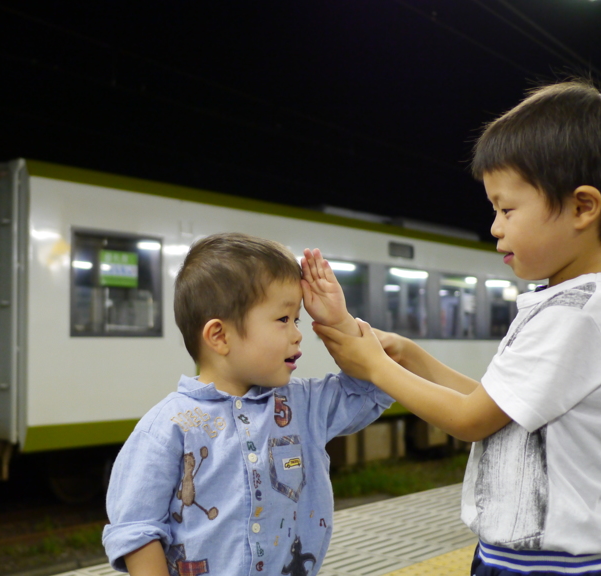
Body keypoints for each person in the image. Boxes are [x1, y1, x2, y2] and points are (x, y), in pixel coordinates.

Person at [309, 80, 601, 576]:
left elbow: (472, 420)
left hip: (551, 569)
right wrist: (410, 356)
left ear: (582, 207)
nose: (495, 226)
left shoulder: (580, 313)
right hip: (512, 558)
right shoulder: (564, 304)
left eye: (507, 209)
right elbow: (498, 407)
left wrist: (377, 367)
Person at [102, 232, 394, 576]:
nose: (299, 333)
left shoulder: (305, 404)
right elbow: (136, 529)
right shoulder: (168, 426)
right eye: (284, 319)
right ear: (219, 336)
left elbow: (375, 383)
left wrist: (339, 321)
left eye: (296, 319)